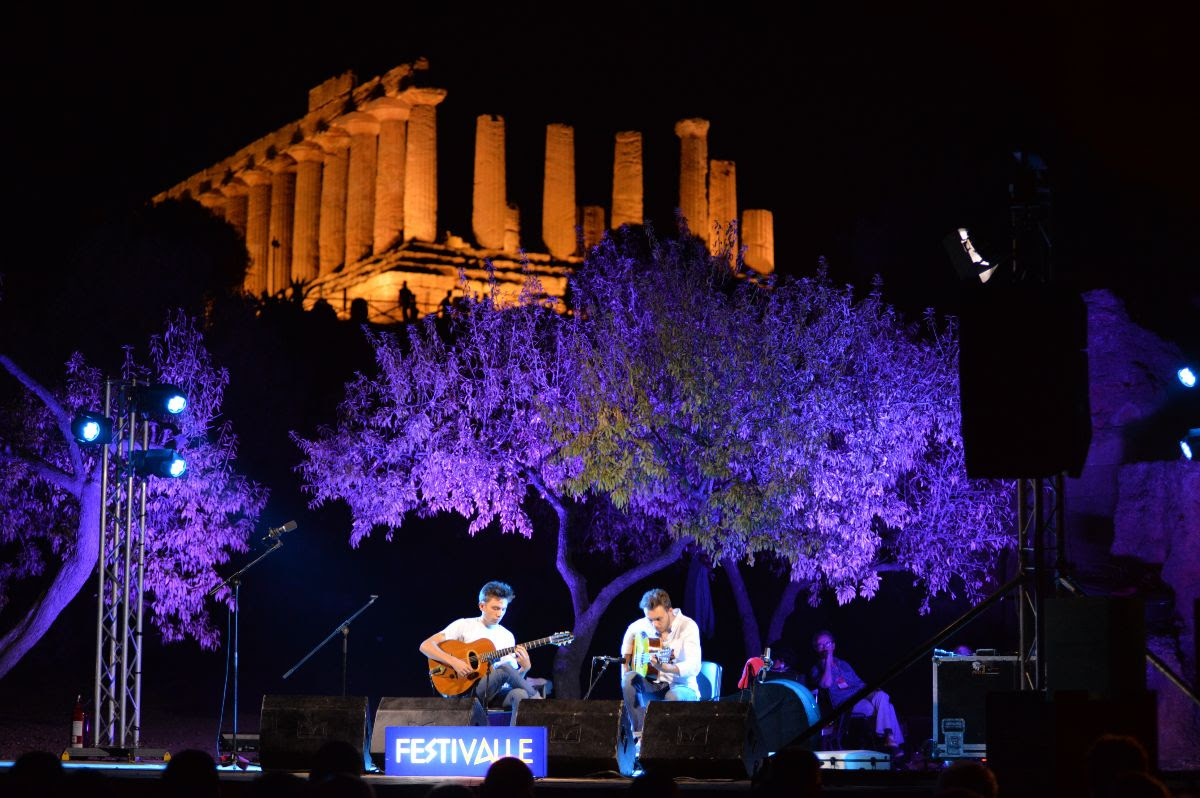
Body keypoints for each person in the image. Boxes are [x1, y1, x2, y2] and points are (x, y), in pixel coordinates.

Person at [420, 580, 540, 720]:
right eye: (495, 608)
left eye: (503, 609)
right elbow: (426, 646)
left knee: (520, 694)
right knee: (505, 668)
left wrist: (525, 668)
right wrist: (454, 662)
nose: (500, 613)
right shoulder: (464, 625)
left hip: (494, 692)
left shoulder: (507, 636)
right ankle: (538, 701)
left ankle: (513, 737)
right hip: (467, 690)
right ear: (482, 606)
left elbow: (511, 679)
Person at [620, 588, 702, 734]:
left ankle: (661, 741)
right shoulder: (646, 623)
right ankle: (639, 736)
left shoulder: (688, 626)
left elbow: (694, 666)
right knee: (628, 680)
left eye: (658, 619)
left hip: (683, 687)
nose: (654, 625)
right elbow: (631, 630)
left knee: (672, 697)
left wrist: (665, 667)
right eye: (650, 620)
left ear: (669, 611)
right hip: (655, 683)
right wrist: (626, 663)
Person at [808, 630, 904, 750]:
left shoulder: (843, 664)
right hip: (846, 702)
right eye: (820, 645)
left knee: (883, 696)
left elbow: (859, 683)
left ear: (833, 645)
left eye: (827, 643)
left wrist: (872, 689)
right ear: (816, 649)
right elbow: (826, 684)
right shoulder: (816, 668)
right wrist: (828, 660)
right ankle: (893, 743)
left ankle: (889, 739)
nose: (824, 647)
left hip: (861, 693)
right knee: (887, 707)